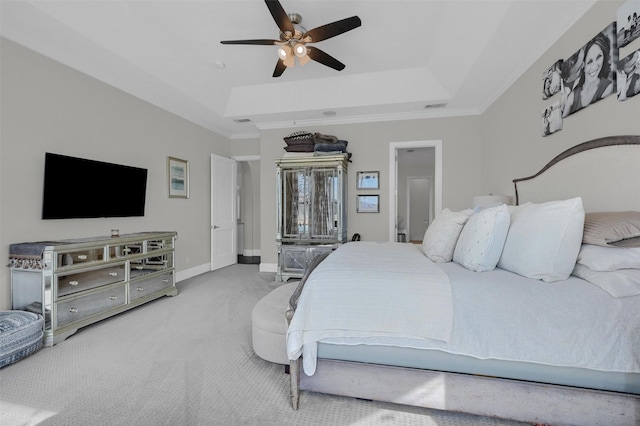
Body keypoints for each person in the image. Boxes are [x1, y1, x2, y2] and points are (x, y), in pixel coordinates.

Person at [562, 34, 613, 117]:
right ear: (583, 66)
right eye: (589, 62)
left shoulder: (608, 87)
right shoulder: (573, 95)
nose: (595, 66)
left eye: (599, 57)